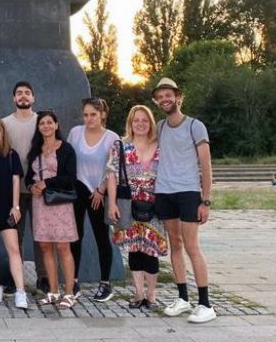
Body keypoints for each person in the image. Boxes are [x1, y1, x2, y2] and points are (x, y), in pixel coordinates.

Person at [152, 77, 216, 324]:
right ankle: (183, 298)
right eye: (160, 97)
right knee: (175, 245)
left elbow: (206, 165)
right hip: (164, 192)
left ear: (178, 97)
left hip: (188, 192)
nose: (164, 100)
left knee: (191, 246)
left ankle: (206, 304)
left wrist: (206, 201)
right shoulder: (160, 127)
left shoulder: (194, 126)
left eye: (168, 95)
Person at [106, 105, 168, 309]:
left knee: (151, 250)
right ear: (130, 123)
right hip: (128, 204)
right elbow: (111, 175)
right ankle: (138, 293)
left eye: (144, 120)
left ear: (151, 123)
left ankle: (151, 293)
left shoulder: (161, 146)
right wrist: (112, 203)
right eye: (136, 120)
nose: (140, 124)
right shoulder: (120, 146)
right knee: (133, 249)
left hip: (154, 205)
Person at [66, 97, 120, 301]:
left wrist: (101, 190)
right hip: (78, 189)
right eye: (86, 115)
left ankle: (105, 283)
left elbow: (113, 168)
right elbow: (68, 159)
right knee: (75, 236)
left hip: (99, 192)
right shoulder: (75, 133)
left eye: (93, 115)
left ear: (103, 115)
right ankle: (74, 281)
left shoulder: (112, 138)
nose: (89, 119)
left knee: (101, 236)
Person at [26, 110, 79, 309]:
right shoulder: (35, 149)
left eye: (50, 122)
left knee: (63, 247)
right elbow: (28, 176)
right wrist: (31, 186)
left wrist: (46, 183)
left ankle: (69, 293)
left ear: (56, 125)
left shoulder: (66, 149)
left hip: (59, 202)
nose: (46, 126)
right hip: (40, 202)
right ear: (38, 127)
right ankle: (53, 291)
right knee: (45, 246)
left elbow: (70, 177)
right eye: (42, 123)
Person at [0, 118, 28, 309]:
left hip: (6, 208)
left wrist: (15, 206)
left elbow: (16, 181)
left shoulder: (11, 155)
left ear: (2, 133)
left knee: (13, 249)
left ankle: (20, 290)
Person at [2, 81, 44, 292]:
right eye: (19, 93)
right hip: (14, 191)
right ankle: (14, 278)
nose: (23, 96)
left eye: (27, 92)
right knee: (14, 237)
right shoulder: (5, 124)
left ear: (33, 98)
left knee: (41, 235)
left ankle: (44, 278)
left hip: (38, 189)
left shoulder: (41, 122)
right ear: (14, 98)